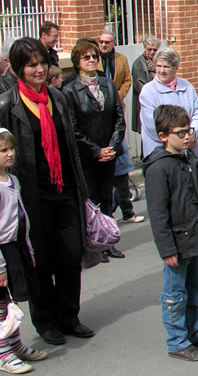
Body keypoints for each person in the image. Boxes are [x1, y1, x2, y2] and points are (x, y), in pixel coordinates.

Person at [0, 37, 92, 346]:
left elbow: (70, 147)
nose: (40, 70)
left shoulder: (58, 97)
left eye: (42, 63)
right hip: (30, 197)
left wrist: (81, 187)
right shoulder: (7, 105)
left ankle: (70, 315)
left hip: (64, 189)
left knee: (70, 253)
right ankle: (47, 321)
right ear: (17, 70)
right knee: (40, 259)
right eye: (31, 65)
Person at [142, 104, 198, 361]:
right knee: (175, 294)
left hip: (195, 238)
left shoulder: (190, 158)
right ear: (163, 136)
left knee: (194, 288)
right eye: (181, 132)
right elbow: (158, 214)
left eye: (189, 130)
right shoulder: (158, 168)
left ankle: (195, 331)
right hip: (177, 243)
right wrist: (167, 249)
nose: (188, 136)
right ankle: (177, 340)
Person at [61, 39, 127, 261]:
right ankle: (93, 243)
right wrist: (95, 151)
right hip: (87, 157)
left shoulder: (107, 84)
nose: (91, 60)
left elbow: (119, 117)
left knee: (107, 197)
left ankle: (108, 241)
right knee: (91, 200)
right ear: (77, 62)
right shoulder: (70, 91)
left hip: (108, 153)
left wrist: (113, 147)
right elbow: (73, 128)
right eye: (86, 57)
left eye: (94, 56)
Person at [0, 128, 49, 373]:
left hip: (17, 245)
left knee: (13, 301)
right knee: (1, 304)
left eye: (11, 149)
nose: (10, 154)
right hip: (1, 251)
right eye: (3, 150)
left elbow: (21, 217)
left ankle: (16, 344)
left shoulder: (12, 180)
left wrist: (27, 246)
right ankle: (3, 354)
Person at [139, 47, 198, 159]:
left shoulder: (187, 86)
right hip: (162, 155)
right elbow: (152, 124)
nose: (161, 71)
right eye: (158, 66)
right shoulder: (148, 91)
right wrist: (179, 140)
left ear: (176, 68)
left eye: (166, 67)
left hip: (189, 151)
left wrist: (193, 133)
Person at [130, 37, 160, 134]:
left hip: (159, 104)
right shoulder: (139, 63)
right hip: (146, 104)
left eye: (154, 50)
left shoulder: (159, 61)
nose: (152, 52)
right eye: (149, 49)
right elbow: (140, 86)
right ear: (144, 48)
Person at [97, 30, 132, 103]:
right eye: (101, 42)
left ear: (114, 43)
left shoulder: (122, 59)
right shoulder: (94, 59)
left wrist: (118, 96)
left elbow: (127, 80)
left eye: (107, 42)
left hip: (117, 102)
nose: (103, 45)